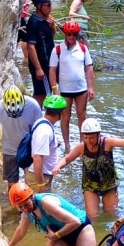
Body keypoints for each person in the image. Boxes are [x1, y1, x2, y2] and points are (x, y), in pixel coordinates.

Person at [54, 118, 124, 219]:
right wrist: (58, 166)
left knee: (111, 215)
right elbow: (67, 159)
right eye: (86, 137)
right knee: (92, 216)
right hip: (90, 185)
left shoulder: (107, 143)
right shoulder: (82, 147)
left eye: (92, 138)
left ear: (98, 134)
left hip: (109, 185)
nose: (88, 141)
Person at [0, 85, 43, 188]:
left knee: (30, 183)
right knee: (12, 185)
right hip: (9, 150)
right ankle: (13, 204)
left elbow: (41, 127)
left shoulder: (33, 105)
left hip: (28, 149)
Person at [49, 21, 95, 151]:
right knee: (65, 117)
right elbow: (52, 70)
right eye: (69, 34)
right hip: (64, 91)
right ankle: (67, 146)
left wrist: (91, 87)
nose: (71, 37)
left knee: (82, 115)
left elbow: (89, 68)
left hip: (81, 89)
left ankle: (82, 144)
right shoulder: (57, 50)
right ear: (65, 34)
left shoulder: (83, 49)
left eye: (74, 34)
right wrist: (54, 89)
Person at [27, 94, 66, 193]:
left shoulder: (41, 122)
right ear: (60, 113)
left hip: (40, 175)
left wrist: (54, 144)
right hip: (39, 178)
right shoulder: (45, 131)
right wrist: (40, 184)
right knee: (38, 207)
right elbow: (37, 157)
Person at [26, 0, 57, 106]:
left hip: (48, 62)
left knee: (44, 92)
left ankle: (36, 117)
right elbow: (30, 46)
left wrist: (52, 25)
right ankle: (33, 118)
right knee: (40, 94)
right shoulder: (34, 22)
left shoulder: (45, 20)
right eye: (48, 5)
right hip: (41, 64)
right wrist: (38, 68)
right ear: (39, 6)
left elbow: (50, 38)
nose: (50, 8)